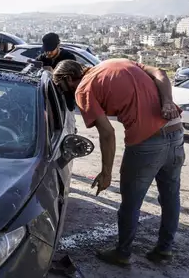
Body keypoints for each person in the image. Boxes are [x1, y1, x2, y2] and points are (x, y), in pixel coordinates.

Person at [53, 59, 182, 267]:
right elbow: (160, 71)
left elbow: (107, 133)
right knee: (170, 195)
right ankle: (165, 250)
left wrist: (106, 173)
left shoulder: (83, 88)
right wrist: (167, 101)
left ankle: (123, 253)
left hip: (146, 142)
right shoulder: (117, 62)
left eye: (62, 88)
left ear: (69, 79)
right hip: (176, 132)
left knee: (131, 202)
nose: (65, 93)